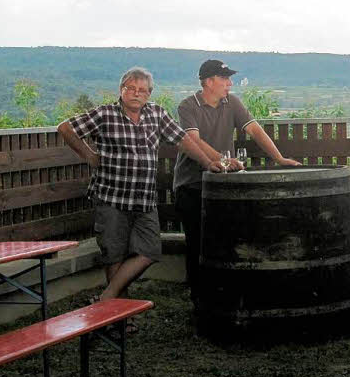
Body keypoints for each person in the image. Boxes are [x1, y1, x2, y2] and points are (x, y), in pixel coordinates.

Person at [57, 66, 222, 303]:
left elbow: (183, 140)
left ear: (149, 94)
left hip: (144, 199)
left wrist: (208, 162)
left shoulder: (156, 114)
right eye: (131, 89)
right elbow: (65, 128)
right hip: (111, 197)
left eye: (142, 91)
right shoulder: (105, 114)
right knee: (114, 256)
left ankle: (106, 299)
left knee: (150, 251)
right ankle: (119, 318)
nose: (136, 94)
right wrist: (89, 155)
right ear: (121, 90)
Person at [172, 59, 301, 300]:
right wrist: (223, 160)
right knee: (198, 241)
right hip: (192, 184)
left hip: (223, 186)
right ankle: (199, 295)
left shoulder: (232, 102)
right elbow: (193, 141)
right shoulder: (187, 106)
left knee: (226, 238)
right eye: (225, 79)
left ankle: (223, 292)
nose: (230, 84)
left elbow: (255, 130)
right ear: (209, 82)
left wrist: (280, 158)